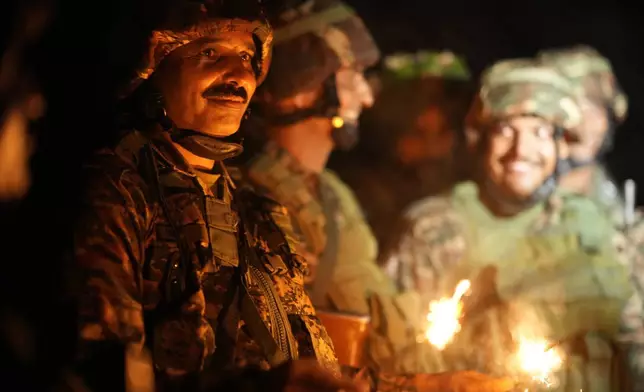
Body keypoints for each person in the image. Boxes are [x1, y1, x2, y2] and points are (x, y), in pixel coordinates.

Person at [68, 1, 359, 391]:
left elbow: (313, 370)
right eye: (209, 53)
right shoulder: (116, 192)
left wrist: (428, 385)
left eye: (245, 56)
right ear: (152, 70)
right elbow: (100, 369)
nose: (239, 74)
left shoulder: (258, 213)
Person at [237, 1, 513, 390]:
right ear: (300, 90)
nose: (366, 97)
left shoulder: (333, 196)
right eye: (353, 76)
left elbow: (383, 322)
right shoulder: (255, 201)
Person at [382, 58, 644, 390]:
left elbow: (635, 340)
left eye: (540, 132)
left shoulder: (594, 228)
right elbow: (395, 358)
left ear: (561, 145)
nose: (522, 150)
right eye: (506, 130)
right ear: (482, 139)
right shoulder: (435, 229)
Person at [537, 45, 630, 226]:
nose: (597, 122)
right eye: (586, 105)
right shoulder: (528, 170)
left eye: (600, 107)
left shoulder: (599, 181)